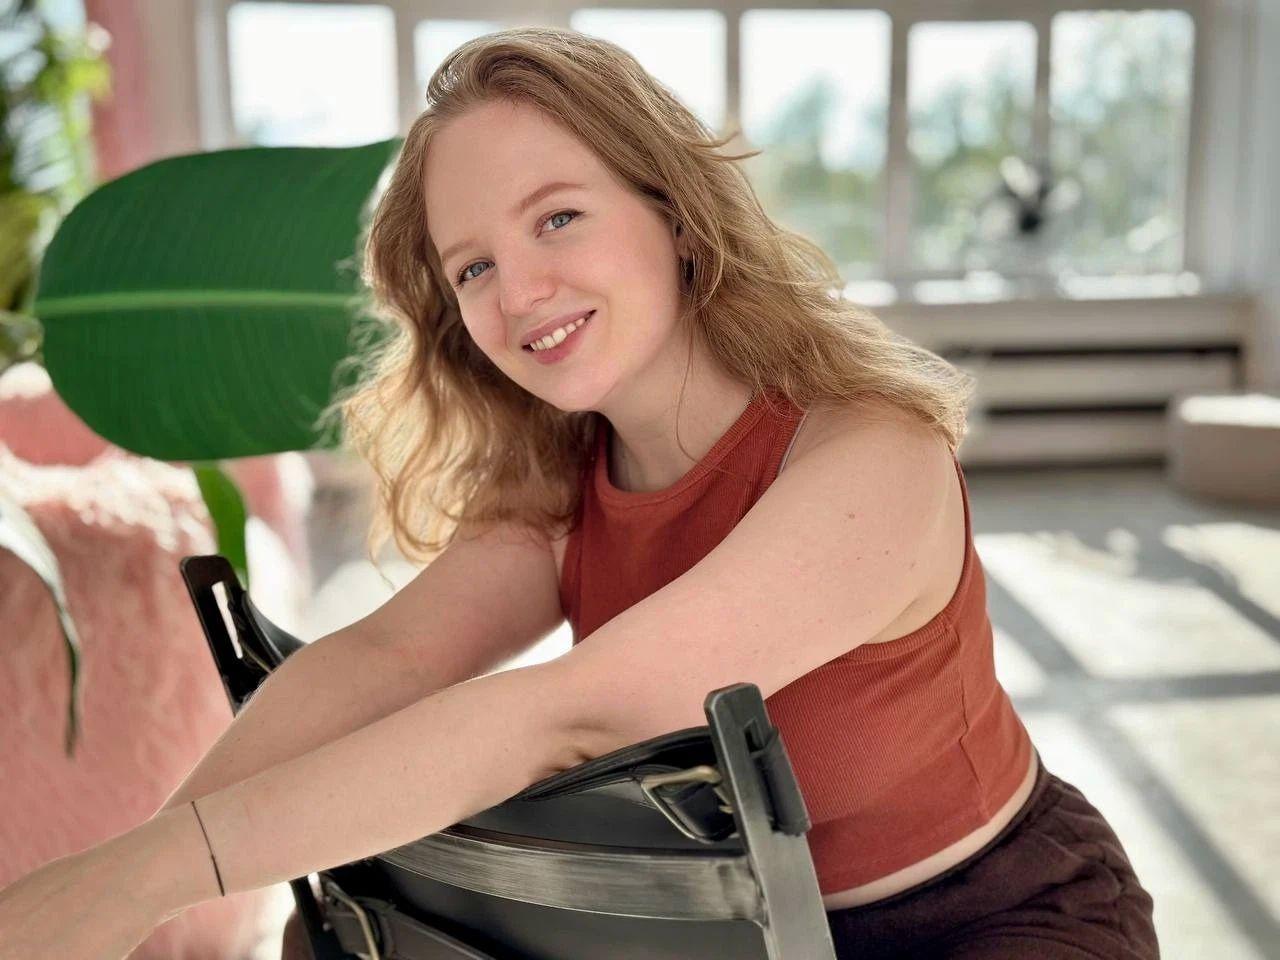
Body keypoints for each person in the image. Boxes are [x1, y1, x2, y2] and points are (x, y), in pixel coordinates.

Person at [0, 26, 1159, 960]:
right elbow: (385, 661)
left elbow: (577, 715)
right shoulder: (562, 485)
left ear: (673, 212)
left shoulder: (870, 457)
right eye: (473, 267)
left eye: (557, 217)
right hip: (733, 932)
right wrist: (113, 885)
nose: (519, 292)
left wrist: (145, 878)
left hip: (991, 919)